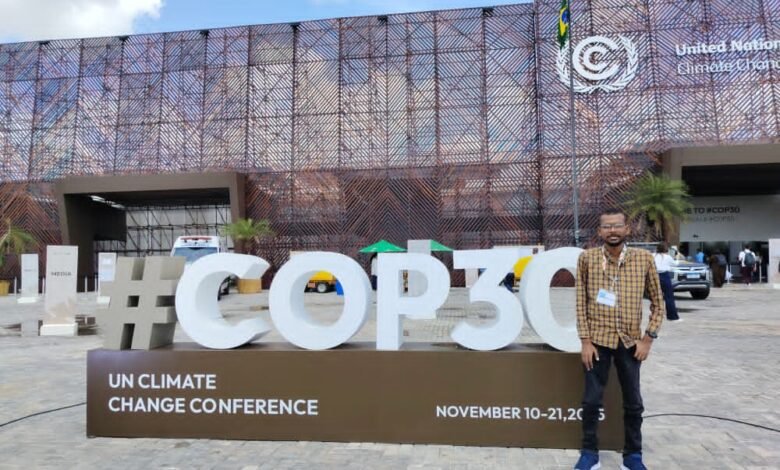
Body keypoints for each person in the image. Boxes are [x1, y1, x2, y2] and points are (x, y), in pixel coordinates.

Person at [573, 208, 664, 470]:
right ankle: (589, 453)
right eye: (606, 226)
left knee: (634, 402)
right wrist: (585, 341)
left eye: (617, 226)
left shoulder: (643, 259)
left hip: (630, 343)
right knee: (591, 401)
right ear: (599, 231)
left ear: (627, 229)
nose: (612, 231)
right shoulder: (587, 259)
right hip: (597, 342)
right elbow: (580, 302)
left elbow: (658, 303)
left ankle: (633, 455)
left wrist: (647, 339)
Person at [654, 243, 680, 321]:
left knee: (655, 297)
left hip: (655, 276)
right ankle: (672, 316)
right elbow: (675, 264)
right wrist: (677, 257)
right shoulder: (668, 257)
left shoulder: (653, 255)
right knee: (669, 297)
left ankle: (656, 315)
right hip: (664, 276)